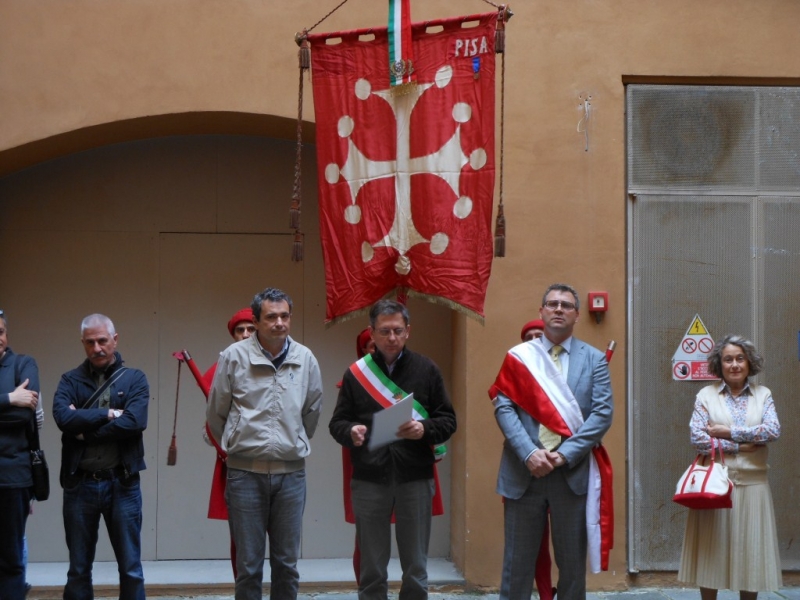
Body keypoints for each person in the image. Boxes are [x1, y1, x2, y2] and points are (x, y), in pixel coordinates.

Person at [489, 283, 613, 600]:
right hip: (523, 473)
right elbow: (503, 407)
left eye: (566, 305)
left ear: (576, 314)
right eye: (552, 303)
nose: (559, 309)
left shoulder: (594, 359)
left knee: (571, 568)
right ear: (541, 311)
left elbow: (601, 415)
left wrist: (564, 455)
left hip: (570, 476)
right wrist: (529, 452)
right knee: (516, 566)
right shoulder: (519, 357)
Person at [329, 299, 457, 600]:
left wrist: (424, 429)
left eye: (398, 330)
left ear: (408, 331)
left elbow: (448, 420)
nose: (392, 338)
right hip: (369, 477)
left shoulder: (426, 369)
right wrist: (351, 431)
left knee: (416, 565)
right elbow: (337, 423)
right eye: (384, 331)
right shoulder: (356, 374)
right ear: (371, 333)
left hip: (415, 476)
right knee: (372, 565)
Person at [207, 287, 323, 600]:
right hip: (245, 475)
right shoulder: (233, 358)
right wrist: (236, 442)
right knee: (248, 564)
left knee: (287, 563)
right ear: (256, 321)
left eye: (285, 316)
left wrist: (291, 441)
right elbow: (216, 413)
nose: (279, 323)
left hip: (291, 475)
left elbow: (312, 412)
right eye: (271, 317)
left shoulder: (305, 358)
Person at [52, 314, 150, 600]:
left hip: (123, 484)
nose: (97, 348)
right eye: (91, 342)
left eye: (103, 341)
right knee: (78, 569)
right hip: (80, 485)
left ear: (115, 340)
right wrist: (107, 414)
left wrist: (85, 430)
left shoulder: (135, 378)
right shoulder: (70, 380)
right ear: (83, 343)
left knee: (131, 568)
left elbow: (134, 421)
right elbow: (62, 418)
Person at [678, 335, 782, 600]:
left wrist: (727, 432)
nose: (734, 364)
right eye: (728, 359)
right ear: (719, 364)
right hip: (715, 485)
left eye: (740, 358)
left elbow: (772, 430)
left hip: (754, 486)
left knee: (752, 555)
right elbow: (698, 439)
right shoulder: (706, 395)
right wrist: (741, 446)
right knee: (711, 554)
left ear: (749, 363)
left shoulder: (764, 394)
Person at [0, 310, 40, 600]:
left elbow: (22, 419)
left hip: (12, 478)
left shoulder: (23, 364)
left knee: (11, 560)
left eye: (0, 331)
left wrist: (16, 407)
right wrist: (9, 399)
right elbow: (13, 411)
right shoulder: (13, 388)